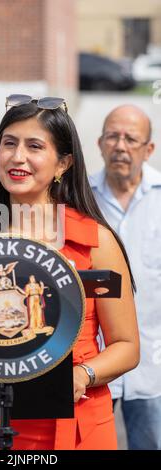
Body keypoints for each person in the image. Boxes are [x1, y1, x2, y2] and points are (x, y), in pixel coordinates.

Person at [0, 95, 139, 450]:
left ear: (63, 163)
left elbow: (127, 346)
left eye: (34, 146)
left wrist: (82, 375)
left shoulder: (95, 240)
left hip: (75, 425)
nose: (17, 156)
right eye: (9, 143)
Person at [89, 104, 161, 450]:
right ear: (99, 143)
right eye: (113, 136)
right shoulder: (76, 200)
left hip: (154, 368)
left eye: (131, 139)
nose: (120, 146)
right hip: (91, 366)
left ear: (149, 149)